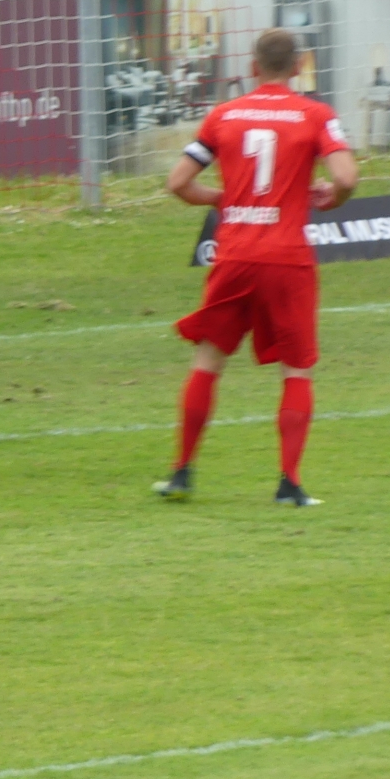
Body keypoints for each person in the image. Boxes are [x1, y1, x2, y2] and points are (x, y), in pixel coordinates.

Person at [157, 27, 357, 507]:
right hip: (287, 259)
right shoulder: (315, 114)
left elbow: (178, 183)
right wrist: (332, 197)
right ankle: (289, 484)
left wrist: (224, 200)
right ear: (298, 67)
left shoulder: (223, 115)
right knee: (296, 369)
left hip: (235, 255)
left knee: (209, 360)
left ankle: (181, 473)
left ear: (252, 67)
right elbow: (347, 177)